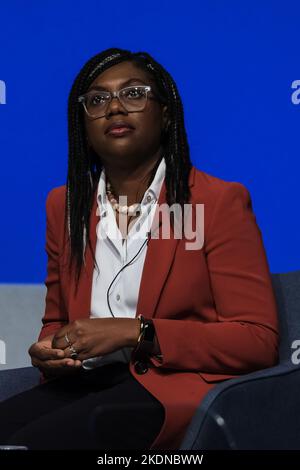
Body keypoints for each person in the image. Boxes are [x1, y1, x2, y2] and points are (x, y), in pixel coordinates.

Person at [0, 47, 279, 450]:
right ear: (83, 123)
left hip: (168, 387)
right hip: (86, 383)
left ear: (165, 114)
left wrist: (137, 332)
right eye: (97, 100)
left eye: (133, 94)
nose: (114, 107)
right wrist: (51, 351)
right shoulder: (64, 206)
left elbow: (256, 341)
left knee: (35, 444)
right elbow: (56, 319)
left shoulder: (214, 203)